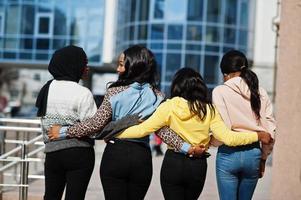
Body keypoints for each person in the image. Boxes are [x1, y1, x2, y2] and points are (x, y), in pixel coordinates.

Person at [48, 45, 203, 200]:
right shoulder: (158, 97)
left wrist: (62, 132)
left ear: (133, 66)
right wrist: (188, 148)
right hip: (141, 158)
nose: (118, 69)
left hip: (115, 155)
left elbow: (95, 124)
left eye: (122, 64)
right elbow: (163, 131)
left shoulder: (114, 92)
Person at [115, 67, 272, 200]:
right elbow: (228, 138)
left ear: (177, 86)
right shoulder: (209, 110)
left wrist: (114, 133)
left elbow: (142, 129)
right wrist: (257, 136)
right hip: (197, 166)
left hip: (173, 163)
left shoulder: (168, 107)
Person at [211, 50, 276, 200]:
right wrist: (263, 158)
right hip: (253, 154)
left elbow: (223, 129)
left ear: (225, 73)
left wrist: (210, 142)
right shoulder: (260, 92)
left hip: (228, 154)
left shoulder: (220, 91)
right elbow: (270, 129)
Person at [35, 45, 97, 200]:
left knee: (51, 196)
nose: (87, 68)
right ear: (74, 65)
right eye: (84, 63)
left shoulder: (46, 89)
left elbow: (44, 124)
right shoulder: (83, 93)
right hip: (79, 153)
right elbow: (93, 128)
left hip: (52, 152)